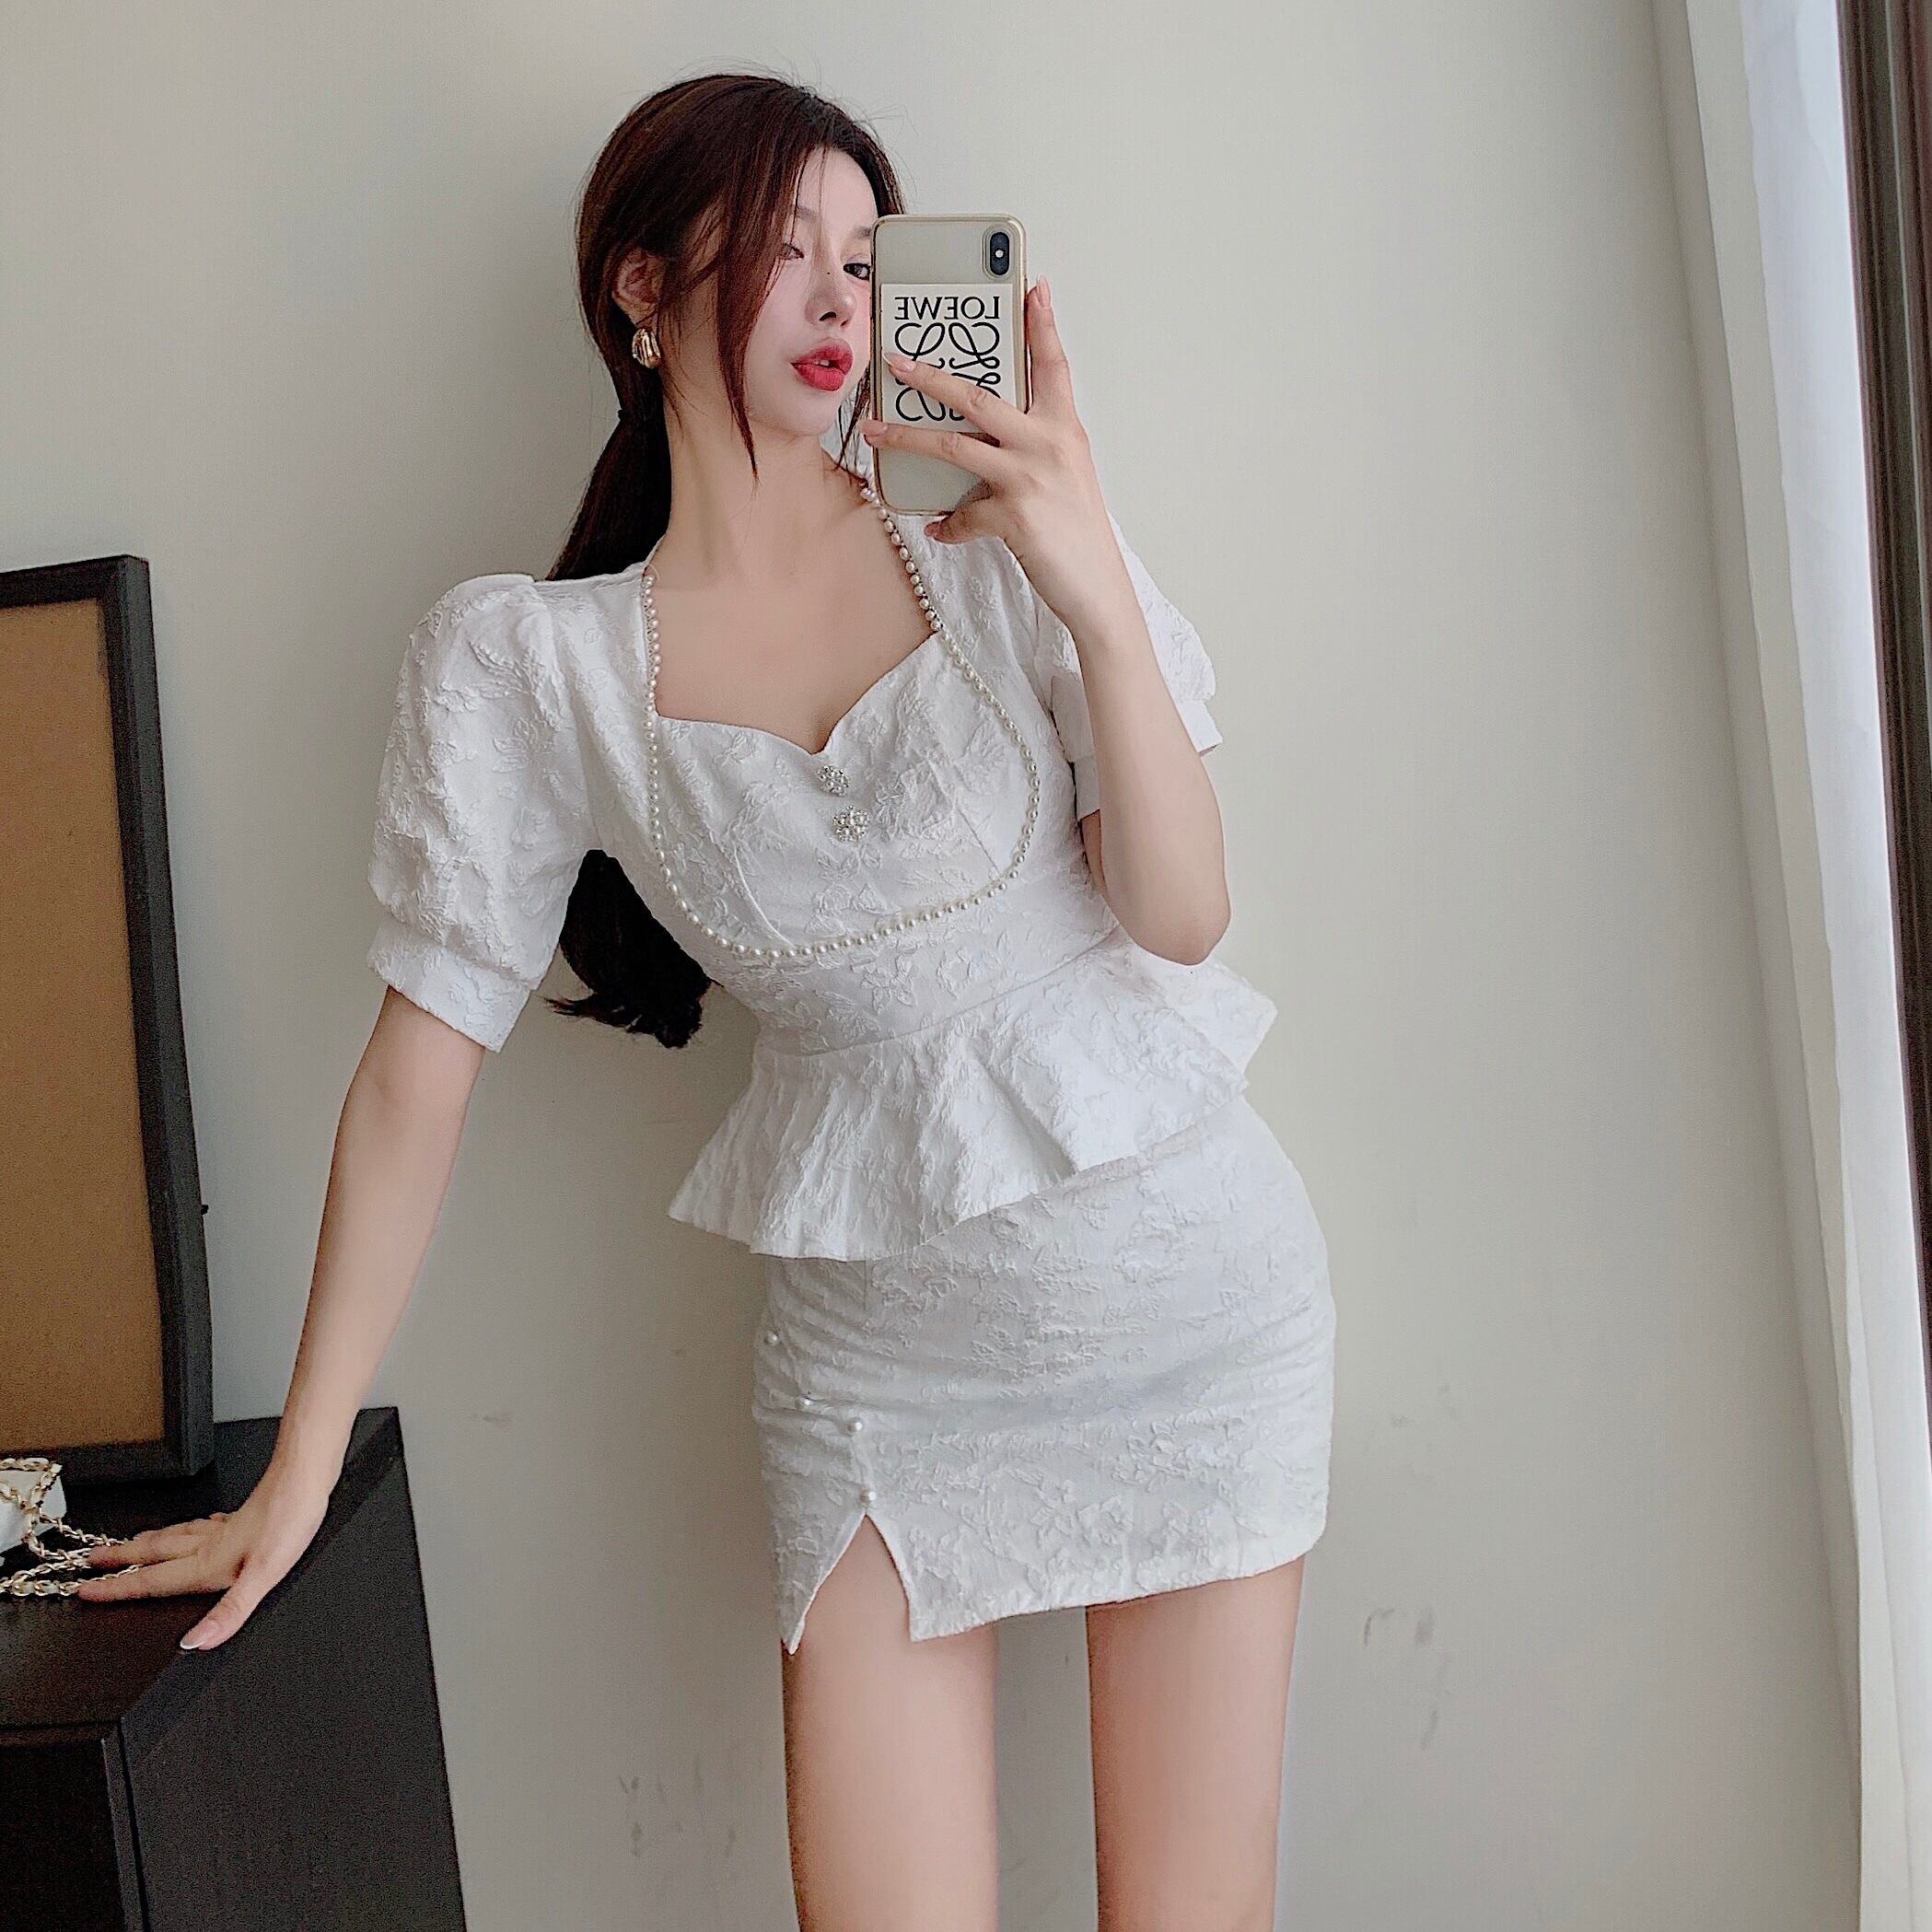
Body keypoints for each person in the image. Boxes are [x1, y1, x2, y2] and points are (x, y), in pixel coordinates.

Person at [75, 72, 1336, 1931]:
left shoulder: (999, 546)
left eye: (865, 255)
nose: (836, 296)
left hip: (1190, 1317)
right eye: (780, 246)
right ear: (641, 287)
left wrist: (1083, 576)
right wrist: (305, 1459)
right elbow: (419, 1068)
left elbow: (1181, 913)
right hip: (880, 1391)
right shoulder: (531, 666)